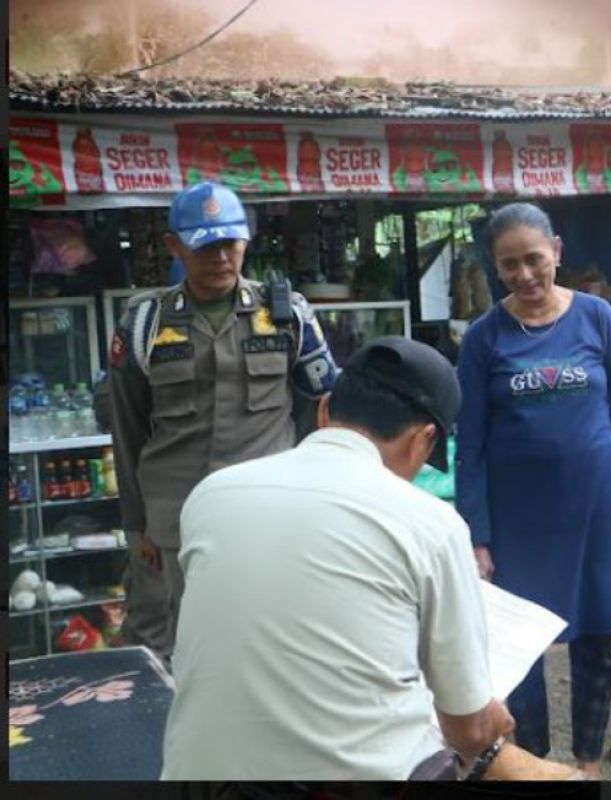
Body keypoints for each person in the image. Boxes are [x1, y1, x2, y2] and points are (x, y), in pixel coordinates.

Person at [163, 337, 581, 780]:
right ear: (424, 440)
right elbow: (470, 733)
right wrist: (489, 719)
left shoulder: (211, 495)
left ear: (325, 411)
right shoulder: (432, 524)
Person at [108, 181, 338, 661]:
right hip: (177, 517)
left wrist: (319, 498)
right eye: (204, 246)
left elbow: (323, 411)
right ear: (175, 246)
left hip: (269, 512)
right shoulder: (142, 323)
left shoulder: (287, 316)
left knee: (273, 635)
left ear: (245, 241)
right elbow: (127, 428)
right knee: (187, 641)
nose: (219, 258)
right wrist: (139, 525)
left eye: (229, 244)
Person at [455, 202, 611, 778]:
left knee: (594, 636)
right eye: (509, 265)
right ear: (495, 266)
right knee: (521, 647)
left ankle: (586, 763)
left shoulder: (597, 317)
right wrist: (478, 536)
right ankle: (533, 764)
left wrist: (601, 471)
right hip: (520, 520)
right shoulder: (484, 339)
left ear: (556, 250)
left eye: (535, 259)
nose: (525, 275)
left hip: (594, 511)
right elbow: (471, 446)